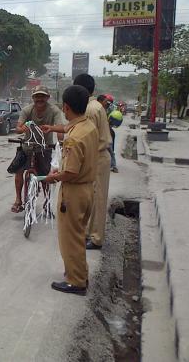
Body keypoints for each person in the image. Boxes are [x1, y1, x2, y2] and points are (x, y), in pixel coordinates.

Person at [44, 85, 98, 295]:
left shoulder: (75, 138)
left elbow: (71, 172)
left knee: (70, 238)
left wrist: (52, 177)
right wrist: (51, 128)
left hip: (74, 191)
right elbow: (68, 128)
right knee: (78, 235)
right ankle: (80, 275)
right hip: (87, 189)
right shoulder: (87, 126)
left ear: (66, 107)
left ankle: (76, 282)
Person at [11, 86, 64, 213]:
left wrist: (60, 142)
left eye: (42, 96)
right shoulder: (27, 110)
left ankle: (47, 202)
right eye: (37, 96)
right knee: (18, 171)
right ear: (33, 98)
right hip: (27, 146)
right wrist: (23, 128)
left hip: (44, 147)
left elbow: (60, 128)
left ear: (47, 97)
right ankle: (18, 200)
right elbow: (18, 128)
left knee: (45, 176)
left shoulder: (54, 111)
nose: (39, 99)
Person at [73, 74, 111, 250]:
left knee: (97, 198)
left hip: (96, 156)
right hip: (99, 156)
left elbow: (85, 137)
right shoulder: (96, 106)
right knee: (95, 197)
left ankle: (96, 238)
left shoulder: (89, 109)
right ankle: (90, 233)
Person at [97, 94, 118, 173]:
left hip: (108, 131)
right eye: (106, 102)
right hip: (103, 131)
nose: (107, 103)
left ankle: (113, 165)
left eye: (108, 102)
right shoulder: (98, 109)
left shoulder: (110, 109)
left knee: (110, 148)